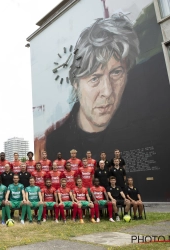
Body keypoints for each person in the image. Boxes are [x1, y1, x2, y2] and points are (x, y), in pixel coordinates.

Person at [45, 14, 140, 162]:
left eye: (116, 73)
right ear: (76, 84)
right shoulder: (54, 143)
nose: (107, 92)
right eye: (95, 78)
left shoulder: (140, 128)